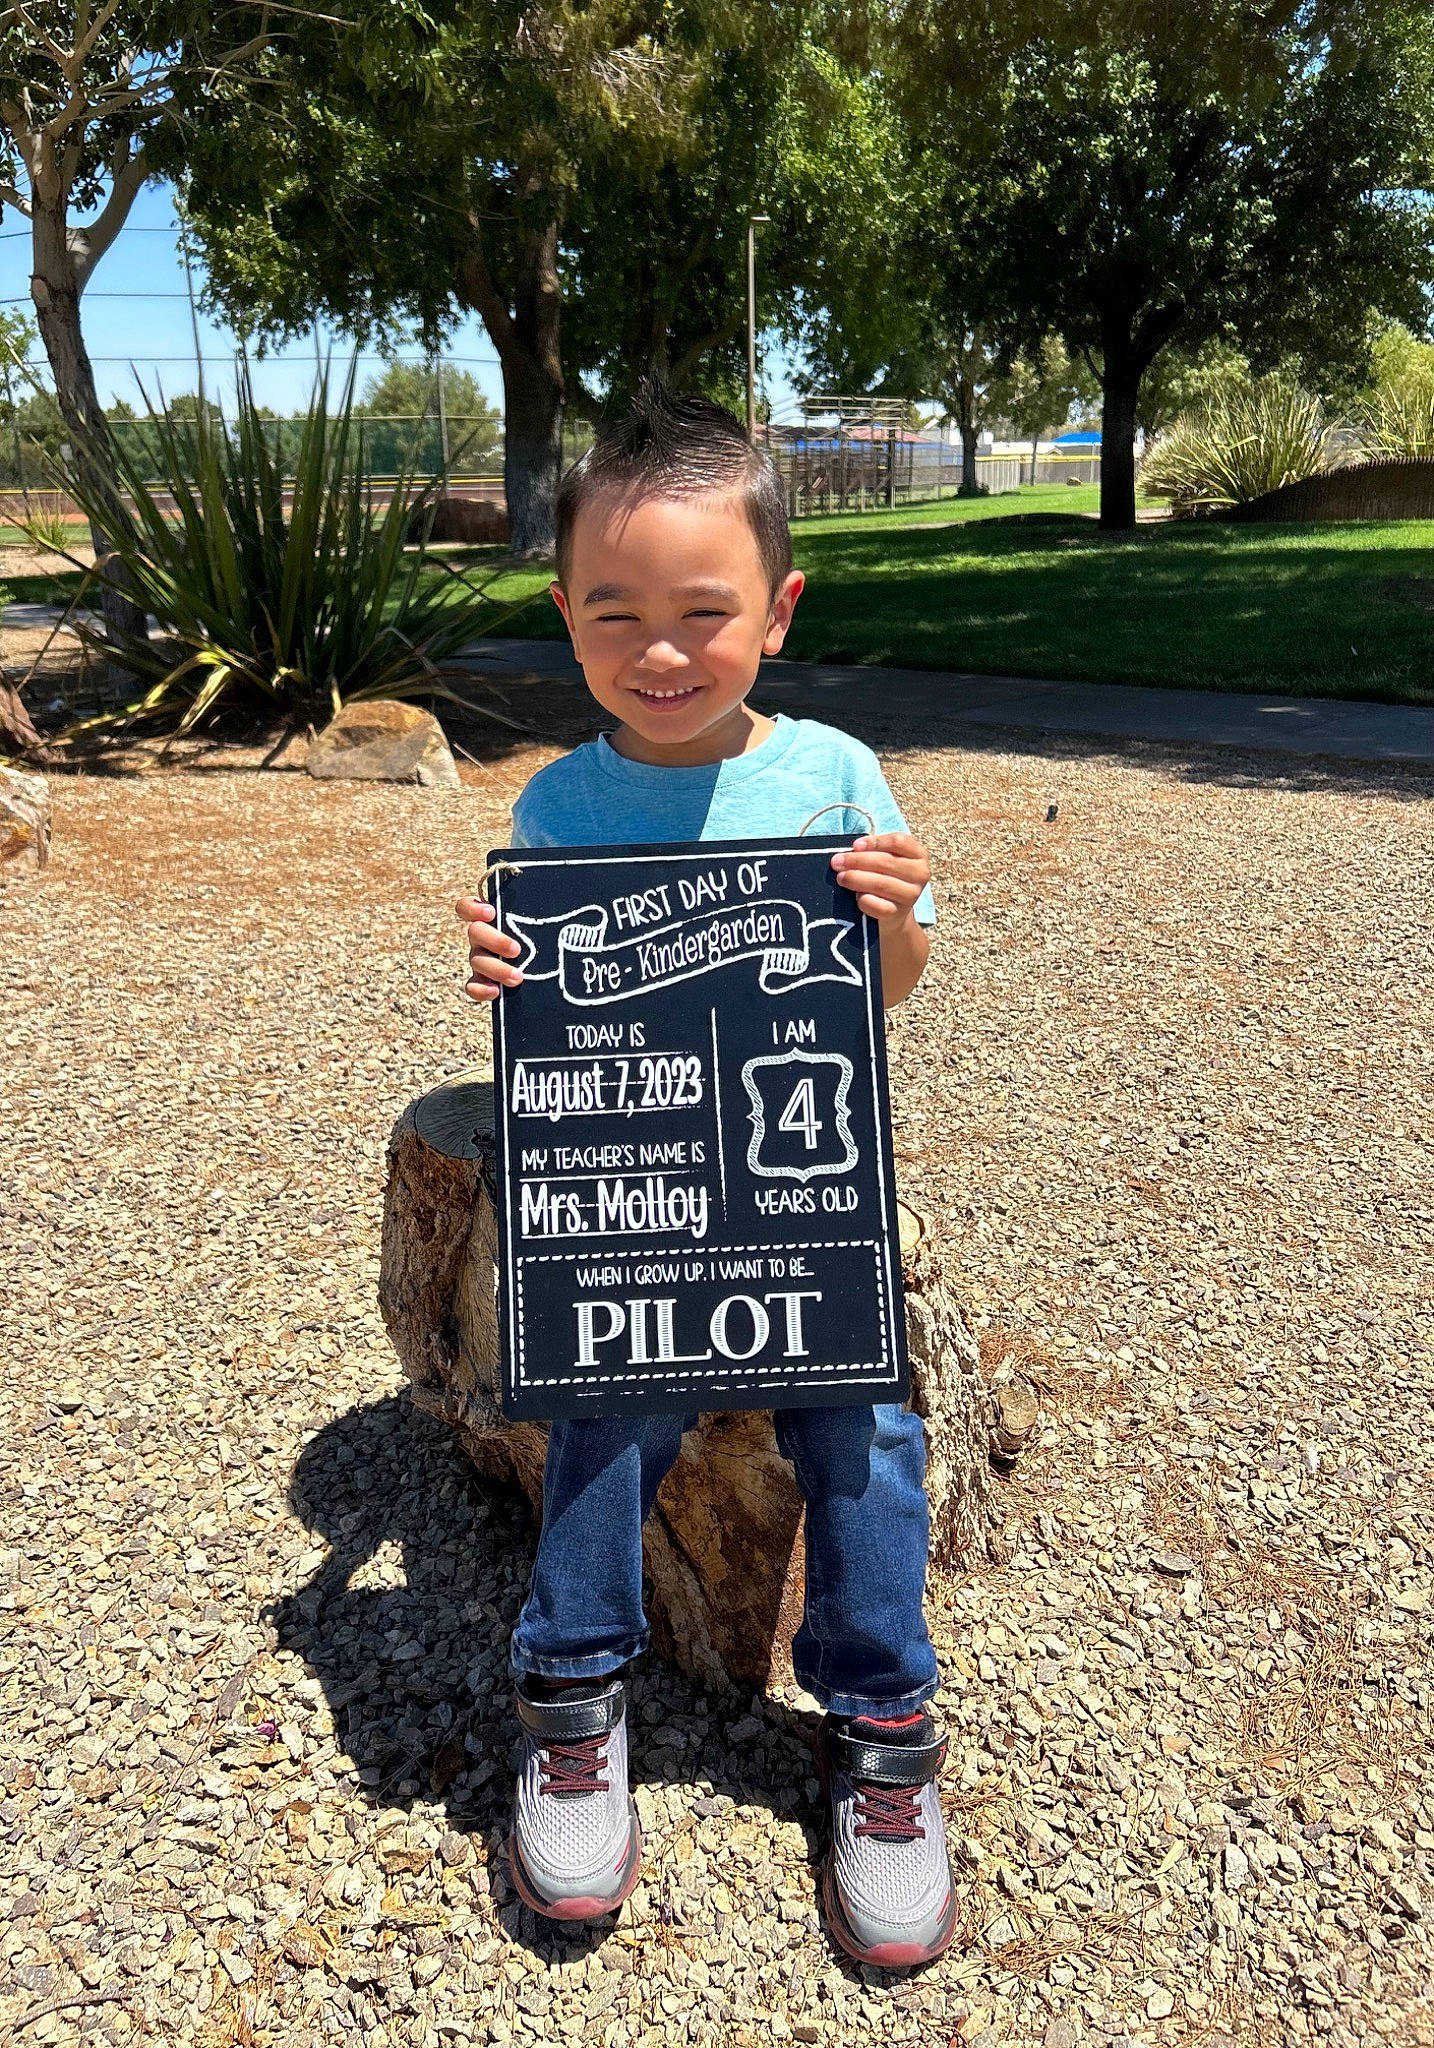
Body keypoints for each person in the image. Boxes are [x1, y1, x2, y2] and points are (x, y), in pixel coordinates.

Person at [453, 380, 954, 1969]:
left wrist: (890, 914)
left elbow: (890, 990)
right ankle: (571, 1699)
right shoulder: (556, 803)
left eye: (702, 613)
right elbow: (543, 1010)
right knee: (599, 1410)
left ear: (778, 611)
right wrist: (502, 972)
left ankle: (882, 1729)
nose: (658, 651)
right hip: (636, 1207)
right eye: (615, 615)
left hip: (802, 1201)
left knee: (864, 1429)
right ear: (564, 614)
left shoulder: (835, 775)